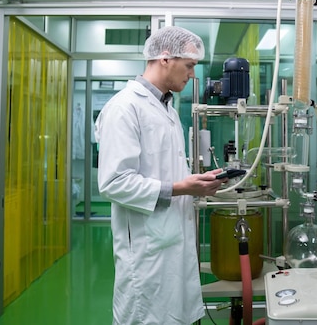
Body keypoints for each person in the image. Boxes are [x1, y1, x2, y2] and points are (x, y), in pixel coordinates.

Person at [94, 26, 228, 325]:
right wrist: (181, 187)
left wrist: (197, 184)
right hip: (146, 249)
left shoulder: (165, 108)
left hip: (170, 238)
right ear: (165, 58)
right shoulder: (125, 108)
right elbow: (114, 183)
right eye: (190, 65)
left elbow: (164, 172)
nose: (192, 74)